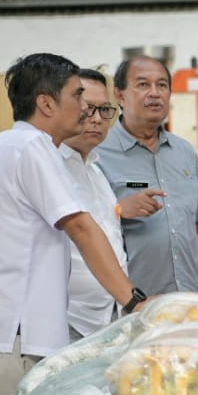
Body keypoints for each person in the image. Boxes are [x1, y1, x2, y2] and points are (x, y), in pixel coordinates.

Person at [0, 54, 148, 395]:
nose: (86, 109)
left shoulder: (0, 154)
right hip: (7, 346)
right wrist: (135, 302)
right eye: (77, 96)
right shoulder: (32, 148)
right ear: (46, 104)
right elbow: (80, 227)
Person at [96, 55, 198, 295]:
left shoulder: (185, 152)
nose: (155, 93)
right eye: (143, 84)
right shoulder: (98, 154)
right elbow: (77, 228)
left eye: (162, 85)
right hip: (133, 303)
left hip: (189, 300)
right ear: (119, 96)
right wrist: (117, 211)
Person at [61, 69, 129, 338]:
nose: (98, 119)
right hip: (70, 319)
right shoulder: (49, 168)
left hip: (108, 317)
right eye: (89, 109)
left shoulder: (96, 171)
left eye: (105, 110)